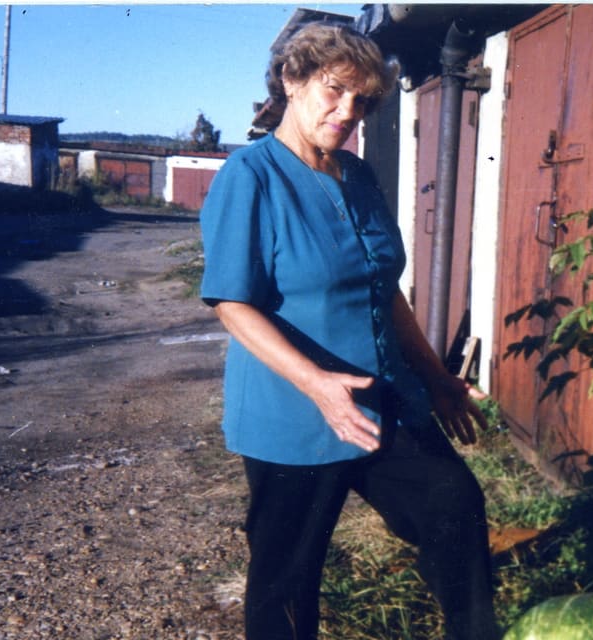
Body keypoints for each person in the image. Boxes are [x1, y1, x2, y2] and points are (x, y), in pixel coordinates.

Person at [199, 21, 499, 640]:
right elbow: (231, 303)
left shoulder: (358, 177)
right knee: (287, 581)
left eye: (361, 100)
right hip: (294, 414)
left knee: (454, 506)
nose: (347, 112)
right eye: (334, 90)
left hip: (384, 399)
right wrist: (318, 384)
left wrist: (437, 379)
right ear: (292, 80)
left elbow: (383, 290)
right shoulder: (250, 176)